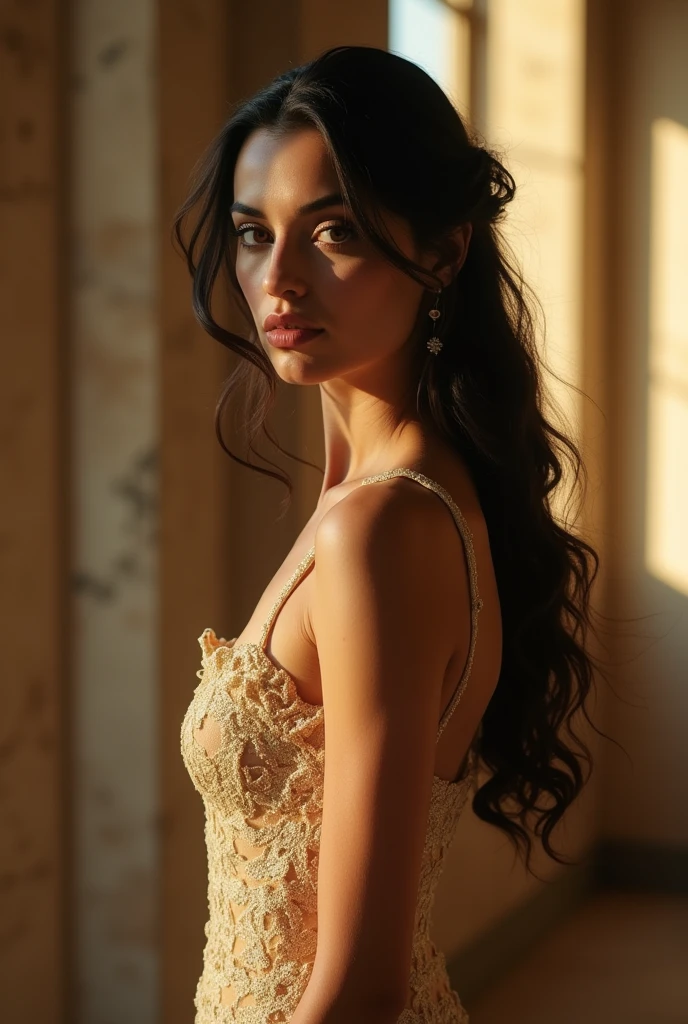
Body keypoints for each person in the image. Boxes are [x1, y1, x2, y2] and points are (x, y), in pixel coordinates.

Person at [177, 44, 600, 1024]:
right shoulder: (374, 500)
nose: (277, 278)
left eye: (332, 231)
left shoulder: (382, 526)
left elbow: (363, 986)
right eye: (251, 233)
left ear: (444, 250)